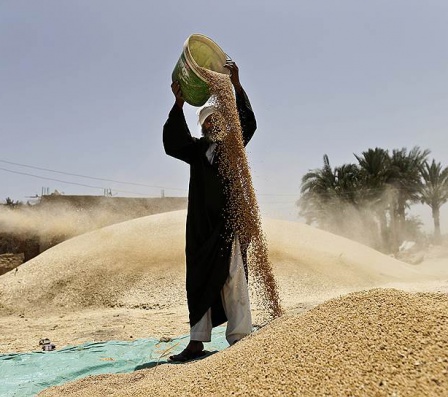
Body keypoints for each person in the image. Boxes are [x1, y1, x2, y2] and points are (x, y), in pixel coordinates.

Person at [163, 60, 257, 362]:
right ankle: (197, 342)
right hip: (201, 229)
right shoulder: (195, 150)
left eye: (217, 121)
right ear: (202, 127)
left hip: (228, 224)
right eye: (207, 123)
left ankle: (240, 336)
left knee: (233, 277)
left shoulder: (233, 148)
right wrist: (178, 105)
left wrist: (236, 85)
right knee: (198, 283)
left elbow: (248, 124)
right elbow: (171, 142)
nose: (213, 125)